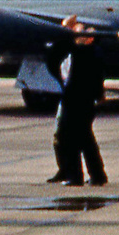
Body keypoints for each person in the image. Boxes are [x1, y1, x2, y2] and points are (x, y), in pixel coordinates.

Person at [50, 20, 106, 185]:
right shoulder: (79, 52)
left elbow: (68, 46)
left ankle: (75, 177)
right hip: (75, 100)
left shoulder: (90, 52)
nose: (75, 36)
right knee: (84, 139)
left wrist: (67, 31)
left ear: (90, 39)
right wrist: (66, 29)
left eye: (79, 33)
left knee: (71, 139)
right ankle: (97, 175)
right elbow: (55, 52)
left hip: (80, 101)